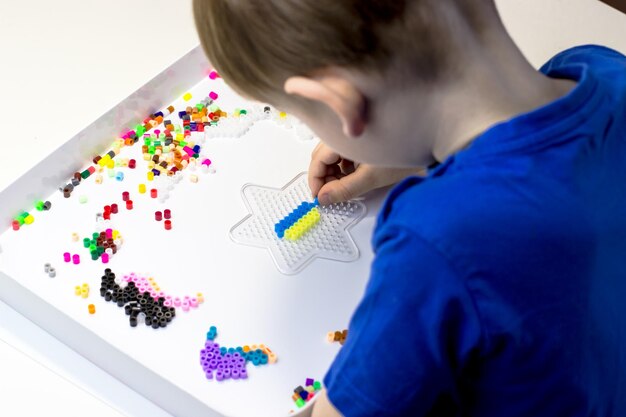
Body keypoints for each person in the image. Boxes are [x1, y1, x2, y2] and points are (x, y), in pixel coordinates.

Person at [192, 1, 626, 416]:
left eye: (305, 116)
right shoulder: (603, 68)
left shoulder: (435, 239)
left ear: (339, 103)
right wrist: (424, 153)